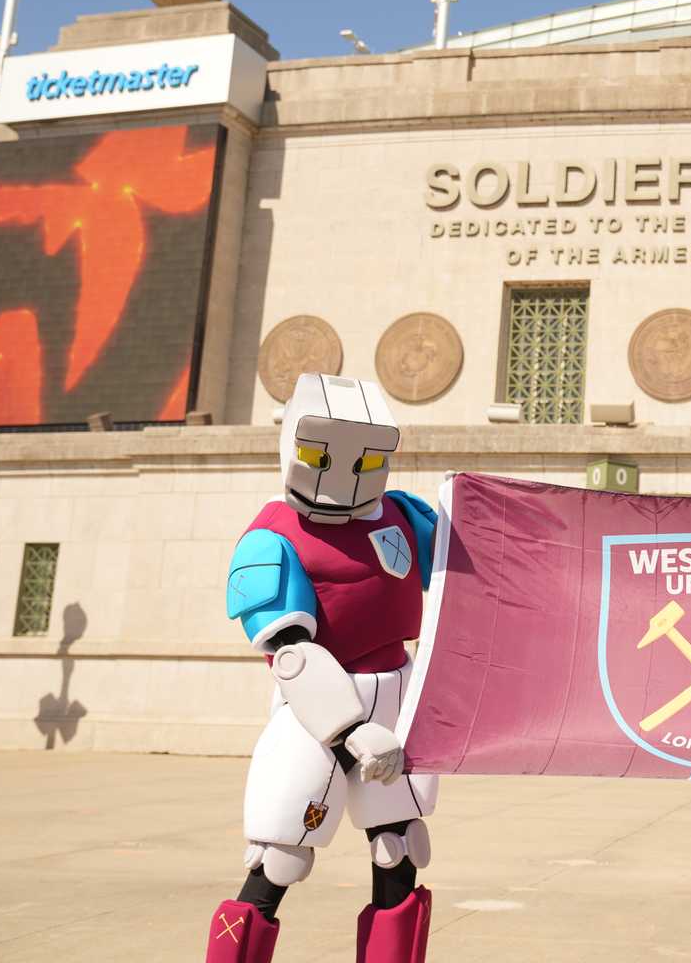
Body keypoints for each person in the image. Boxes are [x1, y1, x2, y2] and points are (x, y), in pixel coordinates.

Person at [204, 373, 439, 963]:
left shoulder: (403, 516)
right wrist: (350, 731)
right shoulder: (272, 537)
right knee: (278, 856)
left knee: (398, 847)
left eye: (367, 457)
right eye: (320, 453)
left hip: (397, 696)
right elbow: (290, 651)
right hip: (317, 714)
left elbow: (471, 567)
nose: (344, 473)